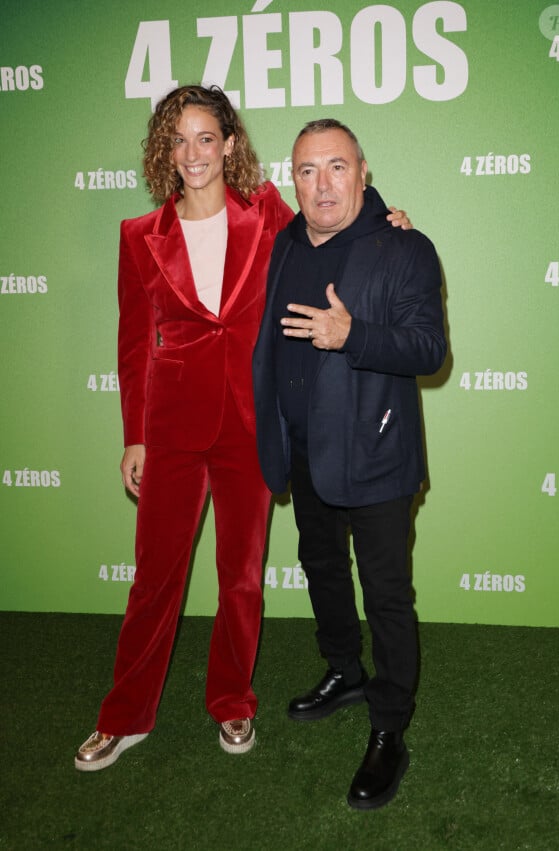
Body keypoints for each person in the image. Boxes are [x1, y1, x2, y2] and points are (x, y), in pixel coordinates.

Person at [75, 87, 411, 771]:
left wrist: (387, 220)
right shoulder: (139, 237)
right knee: (155, 579)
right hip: (170, 427)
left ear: (229, 145)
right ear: (162, 151)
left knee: (241, 577)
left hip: (251, 425)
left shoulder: (265, 213)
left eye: (206, 138)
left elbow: (332, 226)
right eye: (178, 139)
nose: (193, 153)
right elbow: (134, 344)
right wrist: (134, 434)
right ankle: (125, 713)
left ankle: (232, 700)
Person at [252, 119, 446, 809]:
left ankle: (390, 726)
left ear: (364, 172)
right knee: (322, 567)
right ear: (294, 180)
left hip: (378, 455)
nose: (323, 183)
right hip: (305, 449)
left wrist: (353, 334)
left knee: (387, 594)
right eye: (307, 170)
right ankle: (344, 669)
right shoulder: (283, 243)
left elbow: (429, 350)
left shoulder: (405, 247)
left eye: (338, 167)